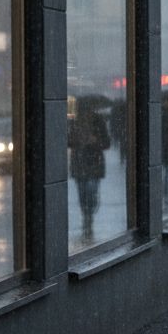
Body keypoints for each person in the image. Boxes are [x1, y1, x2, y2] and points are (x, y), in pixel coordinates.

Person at [67, 98, 111, 242]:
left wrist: (95, 141)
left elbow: (106, 143)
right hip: (79, 163)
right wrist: (77, 140)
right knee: (82, 192)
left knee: (90, 190)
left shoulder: (99, 122)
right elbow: (68, 141)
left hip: (93, 162)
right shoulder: (74, 123)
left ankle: (89, 215)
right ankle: (85, 215)